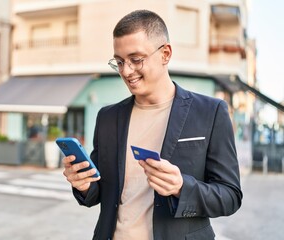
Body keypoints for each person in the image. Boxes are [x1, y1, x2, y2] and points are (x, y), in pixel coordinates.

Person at [63, 9, 242, 240]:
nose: (126, 71)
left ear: (165, 53)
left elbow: (230, 196)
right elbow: (100, 192)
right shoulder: (107, 117)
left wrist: (181, 187)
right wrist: (83, 184)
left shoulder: (211, 112)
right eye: (119, 62)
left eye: (136, 60)